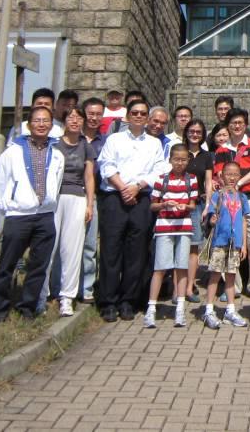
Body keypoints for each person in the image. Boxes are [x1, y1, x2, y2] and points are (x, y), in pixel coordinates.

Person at [0, 106, 63, 325]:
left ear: (51, 125)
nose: (41, 124)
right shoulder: (12, 152)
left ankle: (27, 308)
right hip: (18, 216)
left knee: (38, 266)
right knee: (7, 265)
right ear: (29, 125)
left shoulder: (56, 154)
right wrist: (9, 207)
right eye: (37, 120)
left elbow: (56, 184)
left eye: (46, 120)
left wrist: (49, 204)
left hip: (45, 215)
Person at [96, 99, 168, 322]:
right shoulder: (114, 139)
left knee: (136, 252)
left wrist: (137, 187)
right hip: (115, 198)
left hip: (142, 199)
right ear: (127, 116)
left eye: (142, 113)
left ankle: (128, 300)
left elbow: (159, 170)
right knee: (110, 250)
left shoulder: (154, 144)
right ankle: (108, 301)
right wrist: (122, 187)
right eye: (134, 113)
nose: (139, 116)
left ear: (147, 117)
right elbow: (106, 164)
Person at [39, 107, 95, 317]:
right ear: (63, 121)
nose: (74, 120)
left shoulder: (85, 146)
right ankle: (42, 295)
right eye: (70, 117)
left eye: (78, 117)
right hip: (53, 199)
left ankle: (67, 297)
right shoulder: (53, 144)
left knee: (72, 249)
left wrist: (90, 204)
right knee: (48, 247)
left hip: (77, 197)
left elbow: (89, 177)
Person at [143, 144, 198, 329]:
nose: (180, 163)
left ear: (188, 160)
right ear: (170, 160)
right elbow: (153, 205)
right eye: (176, 159)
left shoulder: (192, 180)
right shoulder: (161, 180)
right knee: (160, 268)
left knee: (181, 267)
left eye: (183, 160)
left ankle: (180, 308)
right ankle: (151, 308)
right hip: (164, 227)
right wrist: (165, 204)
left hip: (183, 227)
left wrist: (186, 207)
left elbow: (192, 204)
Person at [201, 161, 250, 329]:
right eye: (228, 174)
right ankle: (208, 310)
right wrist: (212, 220)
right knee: (215, 275)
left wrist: (243, 244)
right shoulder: (217, 195)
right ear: (221, 176)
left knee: (231, 275)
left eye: (235, 174)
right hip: (219, 242)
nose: (232, 177)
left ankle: (230, 310)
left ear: (239, 176)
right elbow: (210, 217)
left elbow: (244, 220)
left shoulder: (242, 197)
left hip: (234, 243)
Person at [182, 118, 213, 305]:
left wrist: (208, 204)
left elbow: (208, 181)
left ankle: (189, 286)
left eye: (198, 132)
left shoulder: (207, 156)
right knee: (179, 245)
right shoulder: (179, 151)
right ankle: (178, 285)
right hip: (179, 202)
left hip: (198, 204)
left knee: (194, 246)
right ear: (186, 132)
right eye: (192, 131)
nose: (195, 134)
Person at [79, 97, 106, 302]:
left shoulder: (105, 141)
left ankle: (87, 287)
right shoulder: (72, 137)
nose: (94, 118)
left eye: (98, 114)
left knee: (90, 244)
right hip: (70, 194)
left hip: (96, 196)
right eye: (91, 113)